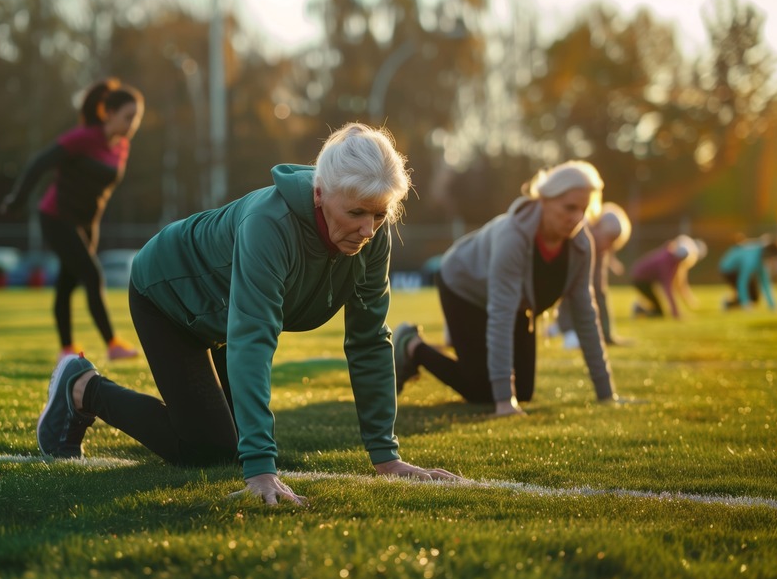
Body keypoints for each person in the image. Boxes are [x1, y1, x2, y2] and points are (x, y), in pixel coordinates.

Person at [35, 123, 462, 505]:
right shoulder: (269, 225)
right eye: (355, 213)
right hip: (169, 296)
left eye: (379, 214)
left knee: (238, 443)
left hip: (226, 314)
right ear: (319, 193)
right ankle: (82, 387)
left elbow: (370, 339)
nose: (368, 230)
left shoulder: (373, 235)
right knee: (210, 449)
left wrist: (387, 459)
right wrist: (260, 469)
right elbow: (253, 339)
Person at [393, 160, 618, 417]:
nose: (577, 218)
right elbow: (501, 315)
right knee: (482, 390)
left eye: (584, 210)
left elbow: (585, 315)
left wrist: (606, 394)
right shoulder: (513, 236)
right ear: (544, 199)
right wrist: (503, 403)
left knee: (523, 392)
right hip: (464, 286)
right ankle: (411, 345)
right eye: (569, 207)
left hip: (516, 303)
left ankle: (467, 356)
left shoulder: (581, 245)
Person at [0, 79, 143, 361]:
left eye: (136, 118)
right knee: (92, 275)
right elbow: (39, 163)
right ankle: (112, 344)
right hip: (56, 216)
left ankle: (66, 349)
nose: (132, 124)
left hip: (87, 223)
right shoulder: (84, 137)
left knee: (67, 282)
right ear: (109, 113)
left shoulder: (121, 146)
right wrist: (17, 199)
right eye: (128, 117)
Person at [554, 201, 632, 348]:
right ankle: (565, 329)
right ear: (597, 226)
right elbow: (566, 289)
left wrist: (607, 335)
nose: (608, 246)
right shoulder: (577, 237)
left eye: (613, 242)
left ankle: (605, 334)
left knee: (598, 292)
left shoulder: (601, 251)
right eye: (608, 239)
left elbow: (599, 291)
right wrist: (569, 330)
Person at [629, 235, 706, 319]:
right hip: (640, 279)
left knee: (658, 309)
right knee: (659, 312)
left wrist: (689, 300)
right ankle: (639, 309)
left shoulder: (673, 259)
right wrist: (675, 312)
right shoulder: (667, 262)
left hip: (643, 278)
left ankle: (640, 308)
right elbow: (668, 289)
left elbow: (680, 284)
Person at [718, 234, 777, 311]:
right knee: (748, 294)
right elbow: (742, 281)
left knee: (754, 297)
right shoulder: (751, 259)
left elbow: (765, 283)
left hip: (737, 269)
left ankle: (729, 304)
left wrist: (773, 305)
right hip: (728, 269)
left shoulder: (762, 257)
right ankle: (731, 303)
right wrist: (745, 304)